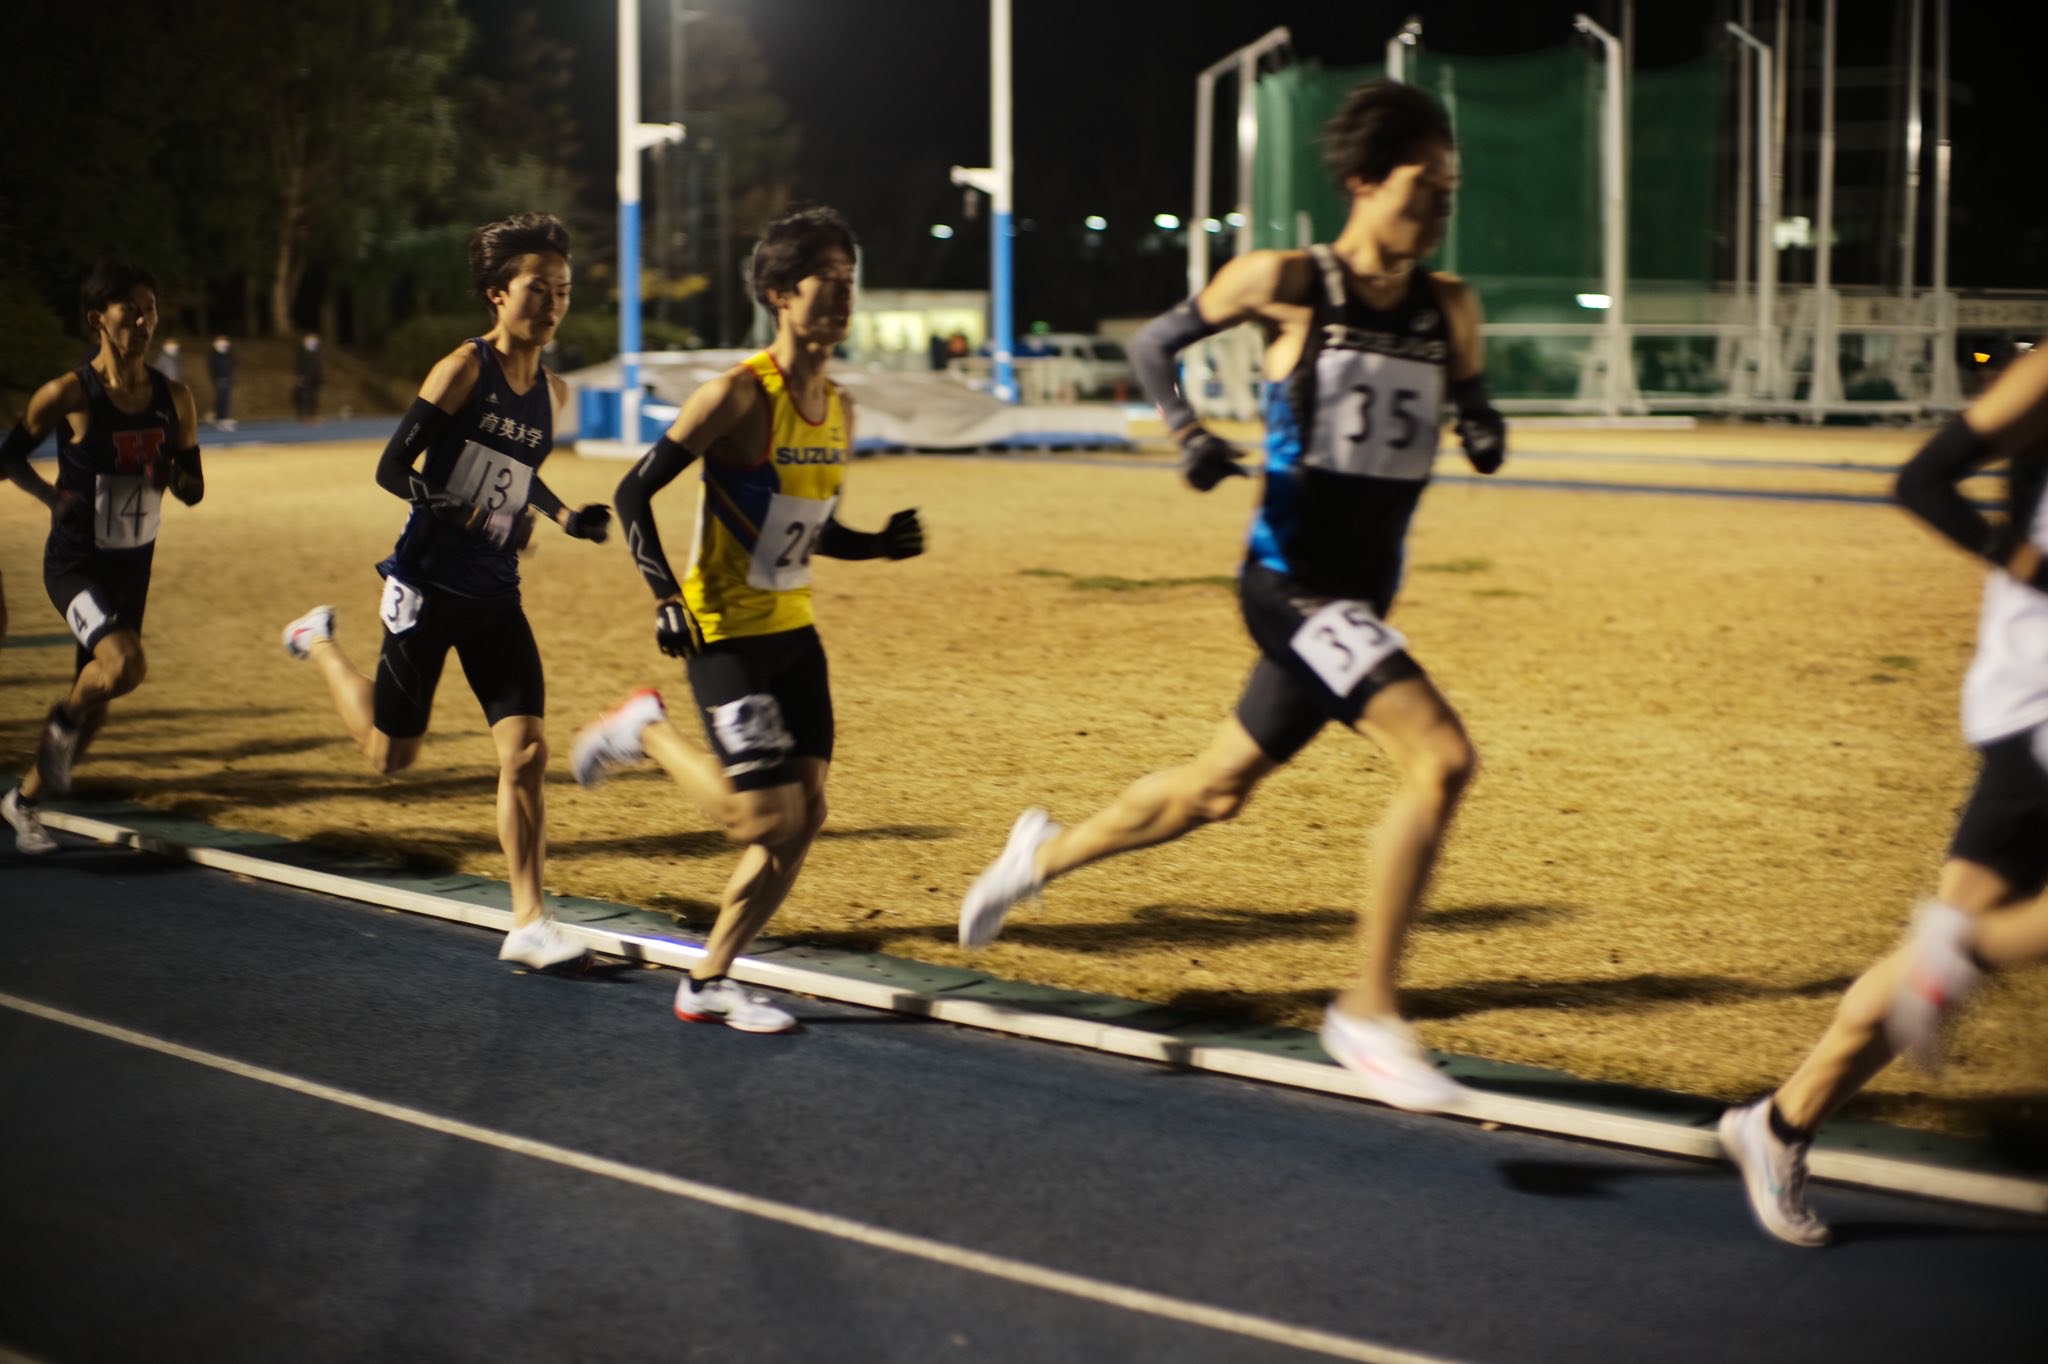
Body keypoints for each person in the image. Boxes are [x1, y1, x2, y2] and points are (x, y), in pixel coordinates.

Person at [956, 80, 1507, 1114]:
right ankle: (1366, 1008)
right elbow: (1153, 345)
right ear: (1360, 180)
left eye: (1449, 189)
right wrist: (1187, 432)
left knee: (1215, 790)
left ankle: (1039, 854)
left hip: (1356, 603)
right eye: (1421, 186)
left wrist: (1481, 427)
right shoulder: (1288, 281)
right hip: (1286, 585)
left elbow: (1473, 403)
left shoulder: (1449, 308)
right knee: (1438, 758)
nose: (1439, 205)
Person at [1719, 345, 2048, 1248]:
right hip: (2038, 705)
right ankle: (1963, 950)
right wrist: (2029, 562)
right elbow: (1924, 480)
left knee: (1923, 979)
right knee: (1949, 956)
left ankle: (1779, 1123)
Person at [569, 206, 925, 1033]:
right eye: (826, 281)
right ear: (778, 293)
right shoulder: (734, 394)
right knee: (759, 818)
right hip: (723, 631)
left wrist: (878, 546)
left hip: (795, 634)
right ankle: (642, 730)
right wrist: (663, 594)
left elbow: (809, 524)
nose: (843, 297)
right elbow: (632, 492)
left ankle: (708, 980)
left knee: (806, 817)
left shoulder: (839, 407)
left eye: (850, 281)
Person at [278, 214, 611, 970]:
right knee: (391, 755)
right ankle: (319, 642)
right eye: (537, 289)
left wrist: (564, 516)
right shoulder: (463, 369)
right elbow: (394, 468)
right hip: (426, 585)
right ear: (497, 294)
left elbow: (516, 469)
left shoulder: (552, 391)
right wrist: (459, 510)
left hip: (495, 591)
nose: (553, 302)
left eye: (562, 290)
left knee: (524, 752)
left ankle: (528, 920)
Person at [0, 259, 205, 855]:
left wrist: (174, 474)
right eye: (130, 310)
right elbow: (10, 456)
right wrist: (51, 498)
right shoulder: (69, 393)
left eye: (151, 309)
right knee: (123, 666)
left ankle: (24, 802)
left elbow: (194, 488)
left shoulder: (175, 398)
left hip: (131, 565)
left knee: (102, 703)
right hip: (74, 566)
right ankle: (60, 722)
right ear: (98, 319)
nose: (143, 321)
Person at [208, 336, 237, 430]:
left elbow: (234, 364)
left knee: (226, 399)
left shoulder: (229, 354)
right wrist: (216, 378)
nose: (223, 344)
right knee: (221, 399)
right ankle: (220, 418)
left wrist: (231, 377)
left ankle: (221, 417)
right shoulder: (214, 355)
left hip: (228, 379)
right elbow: (212, 368)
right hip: (219, 379)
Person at [294, 333, 322, 421]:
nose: (313, 343)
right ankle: (302, 415)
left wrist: (319, 377)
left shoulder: (315, 354)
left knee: (314, 397)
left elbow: (317, 367)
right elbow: (299, 365)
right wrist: (300, 377)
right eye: (311, 341)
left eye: (314, 341)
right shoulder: (302, 353)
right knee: (304, 396)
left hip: (314, 378)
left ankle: (312, 414)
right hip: (305, 377)